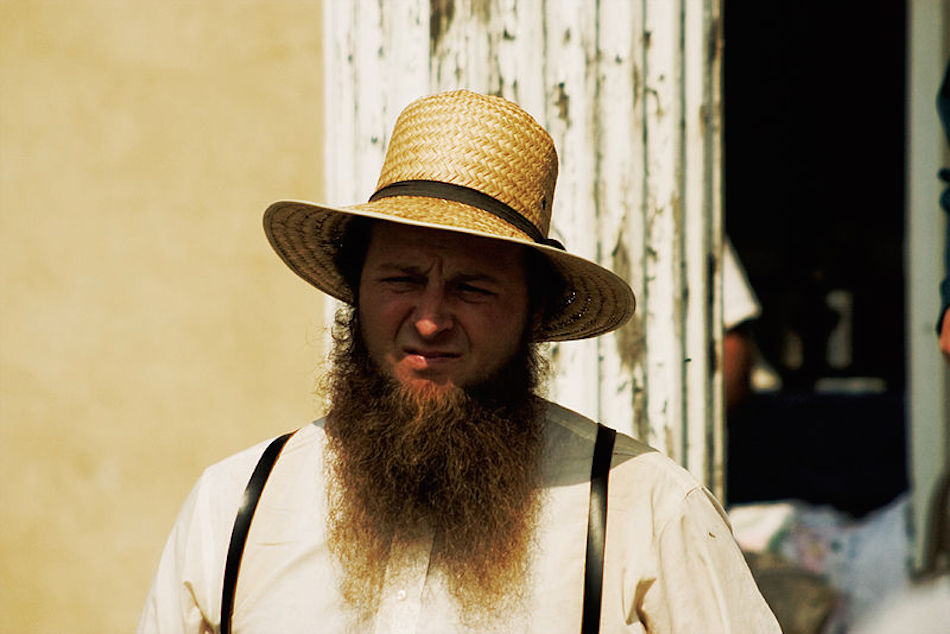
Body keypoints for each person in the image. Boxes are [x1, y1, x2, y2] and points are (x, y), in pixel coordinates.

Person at [138, 90, 779, 633]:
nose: (429, 319)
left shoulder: (645, 509)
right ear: (355, 290)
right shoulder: (236, 508)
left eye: (472, 288)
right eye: (401, 279)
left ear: (534, 312)